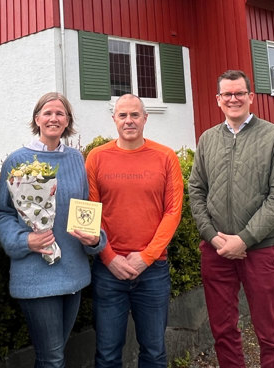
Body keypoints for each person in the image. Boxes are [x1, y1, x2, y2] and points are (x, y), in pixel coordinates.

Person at [188, 69, 274, 368]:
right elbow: (196, 190)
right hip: (216, 248)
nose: (233, 99)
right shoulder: (207, 139)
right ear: (218, 100)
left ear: (251, 97)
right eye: (227, 94)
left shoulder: (273, 136)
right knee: (223, 331)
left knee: (268, 330)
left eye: (239, 93)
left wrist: (244, 239)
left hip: (260, 249)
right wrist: (212, 236)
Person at [0, 92, 106, 368]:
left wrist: (95, 239)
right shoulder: (17, 161)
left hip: (74, 274)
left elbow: (85, 207)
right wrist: (24, 240)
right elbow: (2, 213)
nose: (54, 118)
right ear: (37, 119)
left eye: (60, 113)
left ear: (67, 121)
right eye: (48, 113)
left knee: (55, 354)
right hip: (36, 276)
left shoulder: (76, 160)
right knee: (52, 358)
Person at [86, 94, 184, 368]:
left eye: (135, 115)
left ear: (145, 118)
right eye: (122, 115)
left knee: (153, 352)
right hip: (108, 272)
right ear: (114, 119)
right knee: (106, 355)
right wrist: (109, 257)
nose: (129, 121)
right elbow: (91, 213)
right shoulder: (96, 158)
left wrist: (147, 256)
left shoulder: (165, 157)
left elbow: (173, 212)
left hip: (153, 271)